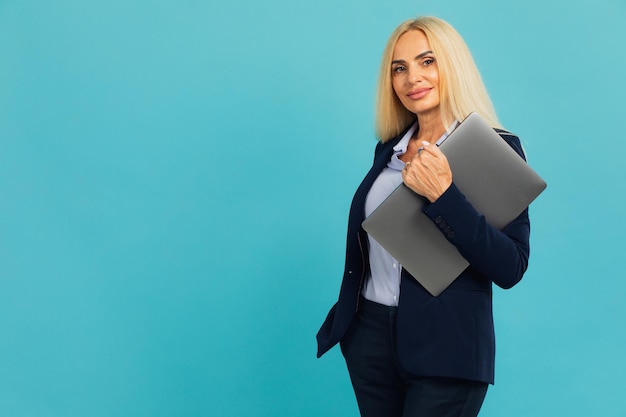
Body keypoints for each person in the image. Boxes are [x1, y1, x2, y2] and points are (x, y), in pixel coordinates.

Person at [316, 16, 531, 417]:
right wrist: (356, 333)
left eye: (427, 61)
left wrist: (444, 196)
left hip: (447, 347)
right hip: (370, 340)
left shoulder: (497, 150)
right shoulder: (388, 150)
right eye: (399, 68)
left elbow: (511, 266)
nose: (412, 77)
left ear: (452, 65)